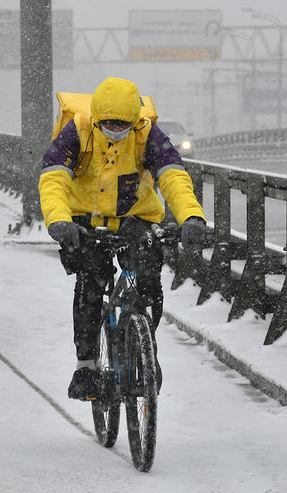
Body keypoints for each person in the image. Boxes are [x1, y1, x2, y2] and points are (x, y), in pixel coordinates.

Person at [38, 77, 207, 400]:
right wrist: (60, 221)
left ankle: (145, 347)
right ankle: (86, 366)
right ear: (97, 118)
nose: (116, 128)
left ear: (135, 119)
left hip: (136, 218)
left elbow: (173, 176)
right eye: (109, 123)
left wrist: (191, 217)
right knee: (91, 283)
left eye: (123, 124)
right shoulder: (77, 131)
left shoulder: (146, 134)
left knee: (148, 280)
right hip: (86, 220)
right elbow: (53, 178)